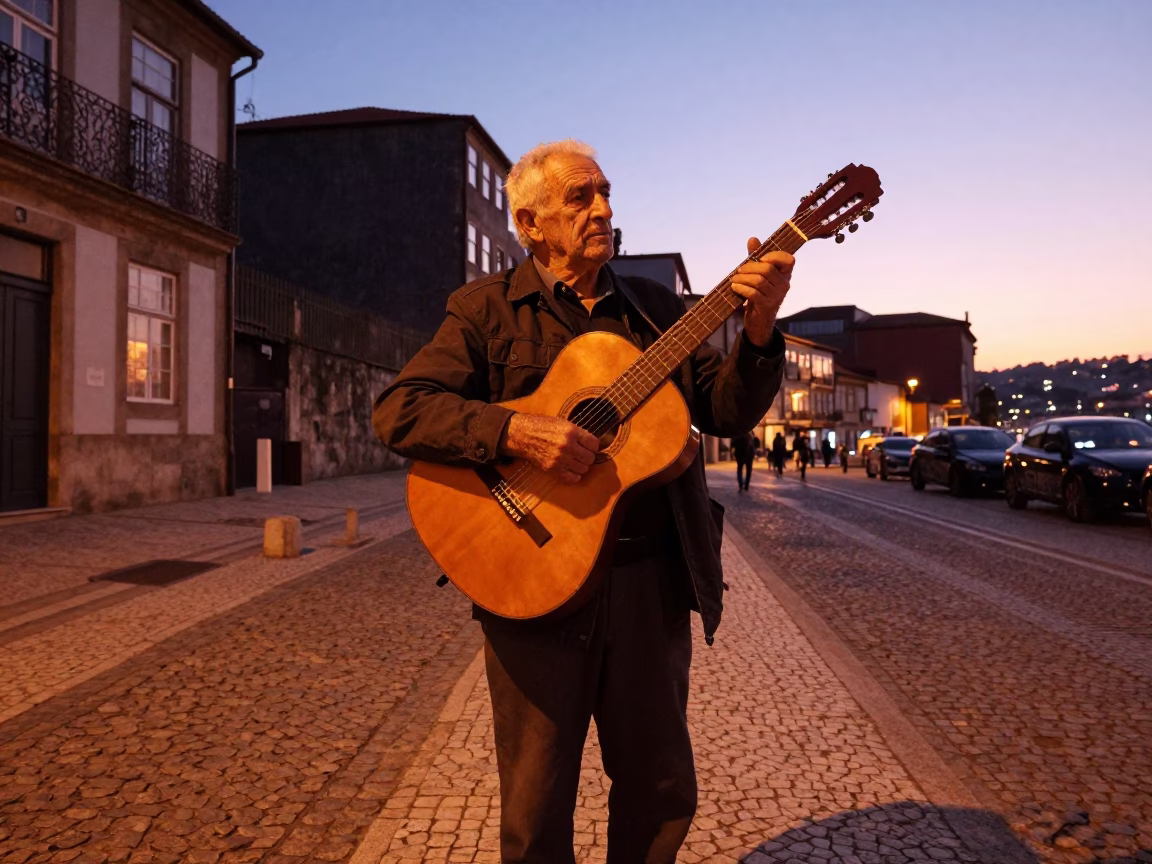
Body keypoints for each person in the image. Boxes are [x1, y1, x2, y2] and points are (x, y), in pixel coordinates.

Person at [372, 140, 794, 863]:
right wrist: (514, 430)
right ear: (531, 224)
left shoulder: (657, 310)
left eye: (605, 191)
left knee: (661, 792)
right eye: (580, 197)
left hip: (647, 585)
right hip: (532, 583)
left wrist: (757, 333)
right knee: (536, 810)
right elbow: (400, 411)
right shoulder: (484, 311)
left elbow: (725, 410)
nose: (603, 208)